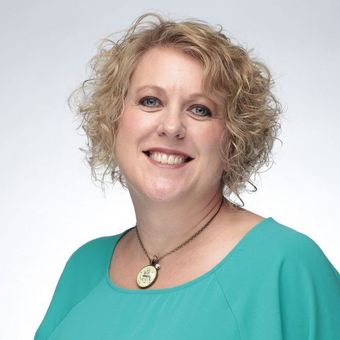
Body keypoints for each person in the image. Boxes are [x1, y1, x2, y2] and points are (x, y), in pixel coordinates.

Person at [34, 13, 340, 340]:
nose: (171, 126)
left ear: (234, 139)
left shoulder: (286, 265)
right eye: (150, 101)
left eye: (200, 109)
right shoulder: (84, 267)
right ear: (114, 122)